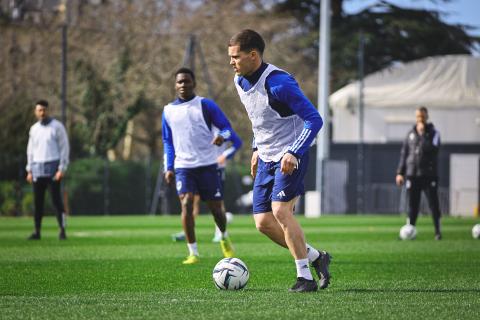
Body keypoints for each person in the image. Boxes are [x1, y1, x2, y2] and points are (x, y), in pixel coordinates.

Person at [228, 29, 331, 292]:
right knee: (263, 222)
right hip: (265, 155)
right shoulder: (240, 81)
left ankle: (305, 278)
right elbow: (259, 119)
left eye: (236, 57)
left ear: (253, 56)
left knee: (281, 211)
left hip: (291, 155)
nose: (231, 62)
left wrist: (294, 152)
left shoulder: (279, 83)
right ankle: (317, 257)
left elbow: (314, 119)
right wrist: (254, 148)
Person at [162, 67, 236, 264]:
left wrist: (222, 136)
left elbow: (228, 129)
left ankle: (223, 236)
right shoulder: (168, 111)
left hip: (208, 165)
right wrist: (168, 167)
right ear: (175, 85)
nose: (183, 85)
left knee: (216, 210)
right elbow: (168, 142)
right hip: (183, 167)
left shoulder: (206, 105)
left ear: (194, 83)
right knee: (186, 203)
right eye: (179, 82)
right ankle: (193, 252)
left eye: (187, 81)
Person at [171, 126, 242, 243]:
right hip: (198, 168)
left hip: (216, 170)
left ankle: (220, 232)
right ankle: (188, 230)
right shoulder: (198, 126)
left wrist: (225, 155)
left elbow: (237, 142)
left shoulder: (221, 129)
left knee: (218, 202)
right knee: (193, 201)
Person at [396, 106, 442, 240]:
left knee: (433, 204)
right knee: (412, 205)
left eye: (422, 116)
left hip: (429, 175)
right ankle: (409, 231)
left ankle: (437, 231)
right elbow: (404, 154)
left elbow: (433, 150)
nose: (420, 119)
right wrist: (400, 173)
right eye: (418, 117)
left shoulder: (434, 133)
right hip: (412, 174)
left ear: (426, 117)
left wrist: (422, 136)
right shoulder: (410, 134)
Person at [26, 100, 70, 240]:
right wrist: (29, 170)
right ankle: (37, 231)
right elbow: (30, 151)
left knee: (57, 201)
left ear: (48, 110)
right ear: (36, 112)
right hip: (38, 169)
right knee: (38, 203)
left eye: (44, 110)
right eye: (39, 110)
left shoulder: (57, 127)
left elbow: (64, 148)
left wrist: (61, 168)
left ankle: (62, 230)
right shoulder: (34, 129)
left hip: (53, 170)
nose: (42, 112)